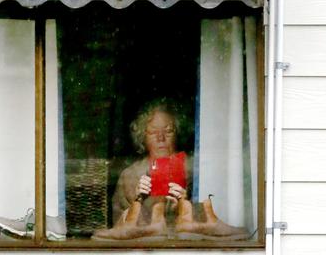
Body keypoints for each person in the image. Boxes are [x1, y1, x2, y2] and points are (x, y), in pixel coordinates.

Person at [94, 100, 246, 240]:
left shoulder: (194, 168)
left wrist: (185, 205)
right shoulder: (131, 174)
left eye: (168, 131)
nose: (160, 138)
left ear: (178, 133)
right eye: (153, 132)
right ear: (142, 136)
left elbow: (210, 218)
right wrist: (138, 200)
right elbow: (119, 230)